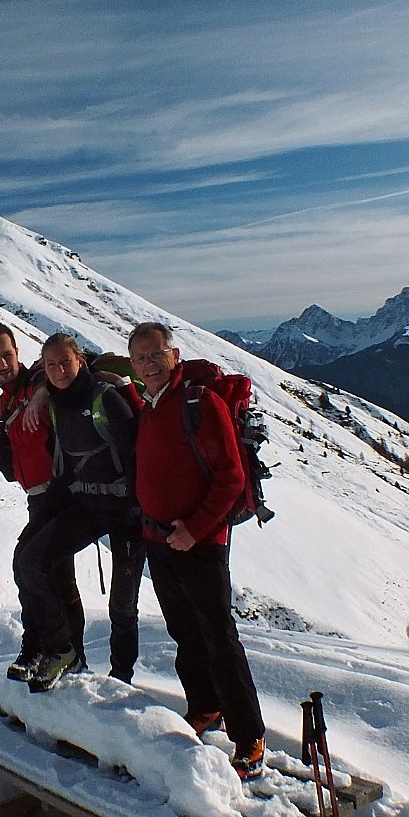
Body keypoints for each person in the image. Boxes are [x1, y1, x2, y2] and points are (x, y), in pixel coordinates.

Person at [128, 321, 267, 779]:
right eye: (139, 358)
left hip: (201, 541)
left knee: (218, 635)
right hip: (159, 539)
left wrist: (197, 527)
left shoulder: (199, 402)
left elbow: (231, 478)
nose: (147, 364)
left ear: (174, 354)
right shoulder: (147, 403)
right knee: (184, 630)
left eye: (154, 355)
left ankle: (249, 736)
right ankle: (205, 706)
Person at [15, 333, 147, 688]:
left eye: (65, 362)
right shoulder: (57, 403)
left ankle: (121, 680)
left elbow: (136, 457)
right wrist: (42, 518)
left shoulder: (105, 398)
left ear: (79, 361)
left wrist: (139, 512)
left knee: (122, 607)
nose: (59, 370)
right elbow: (66, 464)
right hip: (86, 503)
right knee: (29, 561)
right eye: (51, 365)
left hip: (126, 511)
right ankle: (64, 651)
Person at [0, 321, 84, 682]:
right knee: (49, 573)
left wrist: (43, 392)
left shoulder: (46, 379)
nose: (2, 363)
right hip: (39, 499)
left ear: (18, 353)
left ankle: (54, 650)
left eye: (7, 354)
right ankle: (51, 651)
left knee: (32, 565)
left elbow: (78, 365)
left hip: (67, 492)